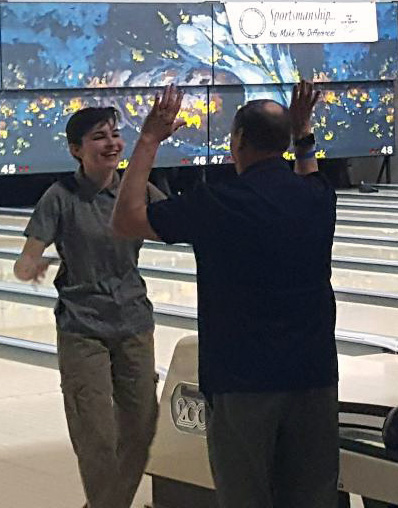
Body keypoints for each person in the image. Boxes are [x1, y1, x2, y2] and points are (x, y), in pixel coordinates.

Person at [112, 81, 339, 508]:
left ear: (237, 142)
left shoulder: (216, 202)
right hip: (314, 377)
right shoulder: (317, 198)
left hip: (241, 382)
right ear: (284, 141)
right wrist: (303, 129)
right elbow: (308, 167)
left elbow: (126, 220)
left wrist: (147, 141)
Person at [14, 106, 164, 508]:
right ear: (76, 149)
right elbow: (24, 261)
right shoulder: (60, 197)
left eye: (114, 134)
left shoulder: (137, 190)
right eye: (99, 136)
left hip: (134, 322)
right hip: (82, 329)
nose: (111, 143)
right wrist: (33, 266)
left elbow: (177, 225)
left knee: (141, 430)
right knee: (95, 436)